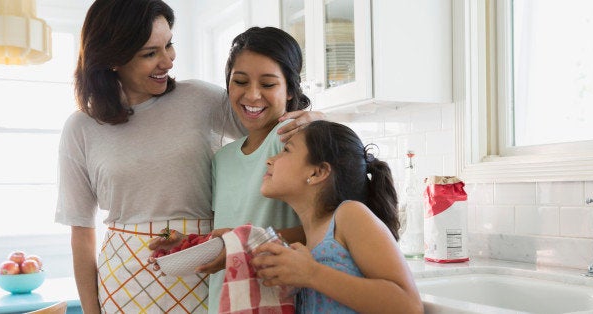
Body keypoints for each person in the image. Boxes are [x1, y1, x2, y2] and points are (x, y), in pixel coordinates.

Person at [54, 1, 321, 313]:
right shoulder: (81, 128)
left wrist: (315, 118)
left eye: (169, 45)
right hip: (123, 282)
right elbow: (81, 232)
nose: (168, 61)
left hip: (205, 265)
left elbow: (267, 112)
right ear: (113, 58)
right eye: (150, 53)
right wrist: (91, 310)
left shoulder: (199, 99)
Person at [148, 26, 310, 313]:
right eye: (240, 81)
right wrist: (186, 244)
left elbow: (320, 231)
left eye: (269, 84)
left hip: (275, 301)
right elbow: (224, 234)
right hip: (224, 302)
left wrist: (240, 247)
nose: (253, 95)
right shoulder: (222, 159)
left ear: (290, 91)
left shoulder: (290, 140)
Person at [252, 120, 424, 313]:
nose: (270, 160)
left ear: (318, 172)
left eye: (286, 150)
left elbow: (409, 306)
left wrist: (311, 273)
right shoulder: (309, 237)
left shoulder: (350, 215)